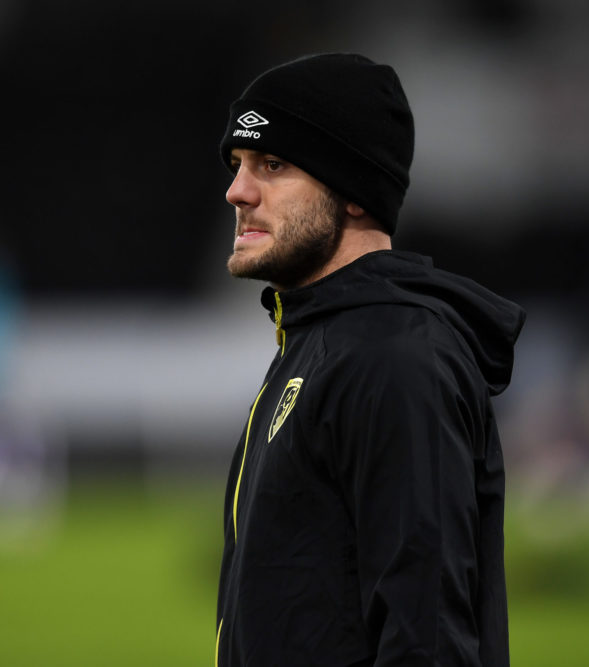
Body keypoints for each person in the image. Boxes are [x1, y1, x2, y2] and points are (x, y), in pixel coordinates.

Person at [214, 53, 525, 666]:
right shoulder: (321, 341)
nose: (237, 191)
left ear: (353, 191)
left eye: (272, 164)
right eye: (238, 164)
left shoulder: (395, 359)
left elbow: (427, 641)